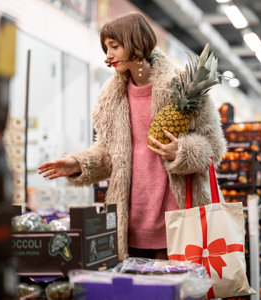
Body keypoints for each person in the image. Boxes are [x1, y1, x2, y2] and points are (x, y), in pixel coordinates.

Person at [37, 12, 226, 261]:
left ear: (136, 43)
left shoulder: (182, 86)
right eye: (106, 48)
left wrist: (182, 151)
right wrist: (78, 163)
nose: (108, 56)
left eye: (114, 46)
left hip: (180, 217)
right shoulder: (110, 98)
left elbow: (215, 146)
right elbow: (108, 155)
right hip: (130, 222)